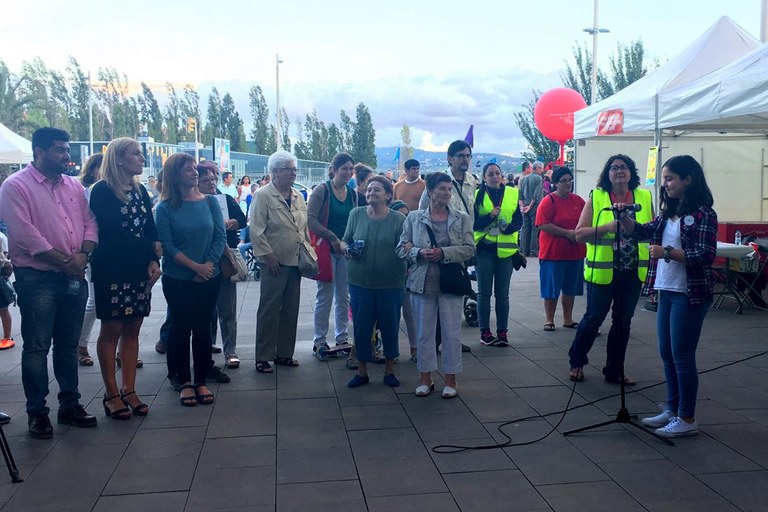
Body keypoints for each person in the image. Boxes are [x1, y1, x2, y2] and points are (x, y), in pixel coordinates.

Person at [0, 127, 98, 438]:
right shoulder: (15, 186)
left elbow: (90, 223)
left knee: (68, 345)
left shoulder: (73, 186)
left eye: (67, 149)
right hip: (38, 278)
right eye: (60, 150)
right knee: (37, 347)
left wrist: (83, 255)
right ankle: (37, 413)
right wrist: (67, 263)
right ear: (39, 152)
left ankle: (70, 405)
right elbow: (25, 235)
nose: (67, 156)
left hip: (74, 276)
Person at [620, 155, 717, 437]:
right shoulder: (668, 213)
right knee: (667, 353)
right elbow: (641, 231)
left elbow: (706, 254)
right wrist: (624, 217)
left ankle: (687, 417)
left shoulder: (704, 214)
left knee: (682, 356)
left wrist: (668, 253)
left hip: (689, 293)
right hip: (666, 290)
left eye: (670, 178)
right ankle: (672, 409)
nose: (665, 184)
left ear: (688, 180)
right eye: (664, 179)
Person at [89, 138, 161, 419]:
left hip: (137, 268)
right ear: (118, 159)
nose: (142, 158)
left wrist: (154, 258)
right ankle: (111, 394)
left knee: (133, 328)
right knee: (112, 329)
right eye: (136, 154)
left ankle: (129, 389)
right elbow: (113, 234)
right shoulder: (102, 191)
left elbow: (149, 227)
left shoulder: (140, 190)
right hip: (112, 268)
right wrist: (151, 248)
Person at [567, 154, 652, 385]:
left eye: (624, 167)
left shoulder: (644, 197)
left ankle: (615, 370)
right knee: (593, 318)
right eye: (614, 168)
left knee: (623, 323)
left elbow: (651, 231)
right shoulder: (597, 197)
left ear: (631, 172)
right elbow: (579, 234)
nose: (619, 171)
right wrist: (606, 227)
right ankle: (577, 360)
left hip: (632, 272)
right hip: (603, 272)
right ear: (607, 174)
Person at [156, 153, 225, 407]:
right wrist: (195, 267)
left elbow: (219, 236)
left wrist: (208, 265)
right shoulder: (164, 208)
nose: (195, 173)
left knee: (203, 328)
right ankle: (184, 381)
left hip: (210, 275)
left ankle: (201, 380)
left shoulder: (210, 202)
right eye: (188, 169)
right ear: (175, 175)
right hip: (178, 278)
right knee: (181, 328)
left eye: (195, 168)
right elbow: (168, 246)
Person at [399, 173, 475, 398]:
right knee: (424, 333)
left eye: (449, 189)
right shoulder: (414, 218)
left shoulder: (461, 218)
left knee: (452, 332)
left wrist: (444, 253)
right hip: (422, 282)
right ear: (430, 191)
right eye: (442, 188)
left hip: (450, 283)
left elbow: (470, 249)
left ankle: (451, 379)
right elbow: (401, 248)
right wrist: (418, 252)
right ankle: (425, 378)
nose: (447, 193)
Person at [251, 150, 311, 374]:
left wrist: (307, 251)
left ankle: (284, 353)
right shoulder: (263, 195)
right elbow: (256, 230)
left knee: (291, 309)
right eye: (288, 169)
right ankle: (263, 356)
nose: (293, 173)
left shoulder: (297, 196)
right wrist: (268, 256)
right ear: (275, 172)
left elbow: (303, 228)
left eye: (294, 169)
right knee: (269, 309)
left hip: (295, 261)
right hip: (273, 262)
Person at [344, 176, 406, 388]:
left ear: (388, 195)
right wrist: (346, 249)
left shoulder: (398, 219)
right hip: (360, 281)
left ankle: (389, 370)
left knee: (390, 326)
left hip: (391, 283)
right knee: (362, 327)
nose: (371, 193)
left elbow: (404, 246)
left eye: (376, 190)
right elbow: (346, 239)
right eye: (369, 189)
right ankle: (362, 371)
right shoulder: (356, 214)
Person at [419, 140, 478, 353]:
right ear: (450, 159)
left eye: (468, 155)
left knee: (457, 291)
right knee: (436, 295)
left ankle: (452, 338)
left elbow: (471, 212)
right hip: (437, 248)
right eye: (461, 155)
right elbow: (423, 213)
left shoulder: (471, 181)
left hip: (461, 248)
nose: (465, 159)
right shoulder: (438, 181)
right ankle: (434, 341)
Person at [306, 152, 360, 360]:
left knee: (344, 296)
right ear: (334, 169)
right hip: (326, 249)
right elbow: (310, 220)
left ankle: (342, 337)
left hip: (344, 251)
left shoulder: (352, 194)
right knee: (325, 295)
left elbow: (354, 221)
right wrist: (333, 238)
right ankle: (319, 340)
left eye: (351, 169)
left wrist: (349, 243)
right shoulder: (322, 190)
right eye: (344, 168)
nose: (348, 172)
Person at [197, 162, 246, 370]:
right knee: (204, 310)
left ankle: (230, 351)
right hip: (200, 261)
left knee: (227, 308)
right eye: (206, 180)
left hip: (224, 259)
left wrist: (232, 223)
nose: (211, 183)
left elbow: (242, 220)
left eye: (213, 179)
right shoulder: (191, 203)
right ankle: (206, 345)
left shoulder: (225, 198)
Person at [473, 162, 523, 346]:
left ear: (502, 175)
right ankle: (485, 332)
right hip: (484, 249)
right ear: (484, 177)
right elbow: (473, 223)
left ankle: (502, 331)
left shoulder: (511, 193)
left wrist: (508, 228)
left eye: (497, 173)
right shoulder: (477, 195)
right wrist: (491, 216)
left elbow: (519, 220)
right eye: (490, 174)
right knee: (484, 293)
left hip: (506, 251)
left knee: (502, 294)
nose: (495, 177)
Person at [535, 166, 586, 331]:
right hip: (553, 254)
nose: (568, 183)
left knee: (570, 288)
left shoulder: (578, 201)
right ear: (555, 183)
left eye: (570, 180)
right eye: (564, 181)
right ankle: (549, 319)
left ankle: (568, 319)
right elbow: (543, 224)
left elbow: (586, 219)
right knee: (551, 289)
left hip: (574, 253)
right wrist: (567, 233)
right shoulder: (548, 201)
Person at [76, 153, 104, 367]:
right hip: (95, 251)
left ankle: (121, 350)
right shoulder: (86, 192)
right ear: (92, 170)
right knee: (94, 302)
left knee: (120, 304)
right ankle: (81, 344)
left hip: (117, 253)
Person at [519, 161, 544, 257]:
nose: (542, 171)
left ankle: (524, 250)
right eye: (542, 168)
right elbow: (536, 194)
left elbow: (520, 194)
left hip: (525, 206)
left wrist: (522, 206)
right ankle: (533, 251)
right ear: (537, 168)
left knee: (526, 228)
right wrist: (530, 205)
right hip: (534, 206)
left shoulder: (524, 179)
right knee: (534, 229)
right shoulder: (538, 178)